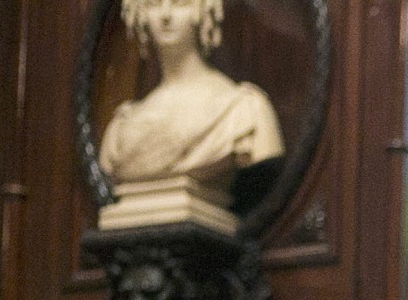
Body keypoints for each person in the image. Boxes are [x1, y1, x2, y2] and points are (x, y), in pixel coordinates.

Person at [98, 0, 285, 192]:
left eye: (180, 3)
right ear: (139, 14)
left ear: (203, 11)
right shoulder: (121, 127)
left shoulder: (244, 110)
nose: (166, 15)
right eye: (153, 3)